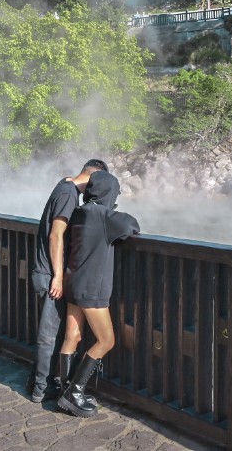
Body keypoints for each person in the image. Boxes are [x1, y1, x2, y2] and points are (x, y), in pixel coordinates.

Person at [57, 170, 140, 418]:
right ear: (109, 192)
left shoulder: (79, 213)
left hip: (73, 283)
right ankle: (75, 392)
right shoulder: (105, 216)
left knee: (72, 335)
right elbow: (131, 225)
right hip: (92, 289)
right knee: (106, 341)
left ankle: (64, 390)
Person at [29, 158, 109, 403]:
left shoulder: (63, 187)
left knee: (51, 332)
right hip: (48, 273)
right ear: (94, 177)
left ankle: (36, 381)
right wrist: (58, 276)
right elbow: (56, 236)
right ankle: (42, 390)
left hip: (43, 271)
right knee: (49, 335)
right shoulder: (68, 195)